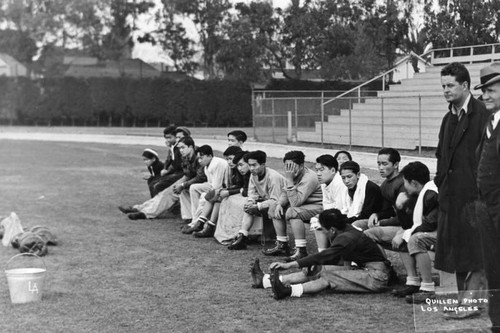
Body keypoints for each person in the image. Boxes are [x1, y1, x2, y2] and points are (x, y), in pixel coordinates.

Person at [434, 62, 490, 313]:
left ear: (465, 85)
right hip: (450, 198)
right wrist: (440, 184)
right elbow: (441, 157)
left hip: (475, 199)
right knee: (457, 255)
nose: (445, 90)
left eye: (450, 85)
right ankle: (462, 301)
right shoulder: (448, 117)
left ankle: (472, 304)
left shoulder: (482, 113)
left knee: (477, 254)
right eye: (443, 85)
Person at [250, 209, 390, 300]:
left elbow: (322, 256)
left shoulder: (346, 238)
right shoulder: (346, 231)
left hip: (376, 277)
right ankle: (266, 281)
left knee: (328, 276)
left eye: (323, 229)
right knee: (318, 269)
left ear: (333, 230)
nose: (322, 232)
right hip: (366, 270)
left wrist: (290, 264)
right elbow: (328, 259)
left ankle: (288, 291)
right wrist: (314, 264)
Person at [386, 162, 439, 304]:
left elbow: (430, 223)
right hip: (435, 232)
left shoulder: (431, 193)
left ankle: (428, 288)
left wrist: (406, 234)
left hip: (449, 234)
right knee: (404, 234)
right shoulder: (420, 194)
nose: (404, 188)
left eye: (405, 183)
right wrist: (400, 207)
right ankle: (413, 282)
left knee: (415, 239)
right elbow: (408, 225)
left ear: (414, 183)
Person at [118, 136, 207, 220]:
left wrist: (183, 184)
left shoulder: (199, 157)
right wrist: (181, 183)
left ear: (191, 147)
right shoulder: (186, 157)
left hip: (202, 184)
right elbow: (188, 174)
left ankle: (147, 213)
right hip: (190, 180)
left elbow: (200, 177)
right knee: (165, 192)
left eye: (183, 148)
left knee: (169, 194)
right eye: (179, 148)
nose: (180, 150)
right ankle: (139, 208)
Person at [475, 62, 500, 330]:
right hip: (486, 209)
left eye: (492, 90)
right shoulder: (490, 123)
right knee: (493, 270)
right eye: (484, 91)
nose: (486, 96)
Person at [263, 151, 323, 261]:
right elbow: (285, 193)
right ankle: (282, 244)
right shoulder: (290, 174)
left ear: (301, 166)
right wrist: (279, 204)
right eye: (287, 166)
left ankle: (301, 250)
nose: (289, 169)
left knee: (292, 212)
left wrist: (290, 180)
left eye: (292, 166)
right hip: (301, 205)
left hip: (316, 206)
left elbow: (296, 202)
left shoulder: (310, 178)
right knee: (273, 207)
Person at [226, 150, 285, 250]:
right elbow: (252, 193)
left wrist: (257, 206)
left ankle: (281, 243)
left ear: (263, 164)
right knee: (248, 207)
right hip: (268, 202)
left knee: (254, 207)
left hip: (282, 204)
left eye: (254, 165)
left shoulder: (273, 176)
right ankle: (242, 237)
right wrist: (250, 202)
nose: (251, 168)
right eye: (249, 165)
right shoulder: (253, 175)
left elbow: (276, 200)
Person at [191, 146, 244, 238]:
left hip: (243, 194)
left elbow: (244, 187)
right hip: (236, 192)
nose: (229, 162)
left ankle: (209, 226)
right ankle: (201, 222)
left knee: (218, 196)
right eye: (227, 159)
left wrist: (227, 191)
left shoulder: (241, 169)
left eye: (231, 159)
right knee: (214, 194)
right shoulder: (234, 169)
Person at [181, 145, 229, 234]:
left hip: (222, 188)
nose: (199, 161)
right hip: (213, 186)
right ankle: (194, 219)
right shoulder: (207, 166)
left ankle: (197, 223)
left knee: (204, 196)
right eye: (198, 158)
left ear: (210, 156)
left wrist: (207, 192)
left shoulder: (217, 163)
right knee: (193, 188)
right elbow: (211, 183)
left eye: (201, 158)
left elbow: (217, 186)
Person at [353, 148, 404, 231]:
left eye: (384, 164)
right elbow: (386, 210)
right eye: (379, 164)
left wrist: (382, 223)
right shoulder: (384, 184)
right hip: (387, 221)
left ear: (396, 165)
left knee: (370, 232)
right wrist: (376, 215)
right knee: (357, 225)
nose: (380, 168)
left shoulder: (402, 183)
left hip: (401, 226)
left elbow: (404, 217)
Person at [309, 155, 344, 253]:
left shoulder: (339, 182)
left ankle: (325, 254)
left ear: (333, 170)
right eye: (317, 170)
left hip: (347, 214)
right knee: (316, 219)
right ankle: (323, 253)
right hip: (335, 212)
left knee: (318, 220)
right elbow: (326, 204)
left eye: (322, 170)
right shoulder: (325, 182)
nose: (318, 174)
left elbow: (340, 208)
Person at [148, 126, 185, 197]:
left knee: (157, 185)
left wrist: (167, 171)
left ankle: (159, 206)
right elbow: (168, 160)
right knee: (151, 181)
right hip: (174, 172)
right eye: (166, 138)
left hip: (180, 173)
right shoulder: (172, 147)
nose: (168, 140)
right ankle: (153, 203)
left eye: (170, 138)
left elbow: (176, 163)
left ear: (176, 137)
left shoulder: (179, 147)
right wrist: (165, 168)